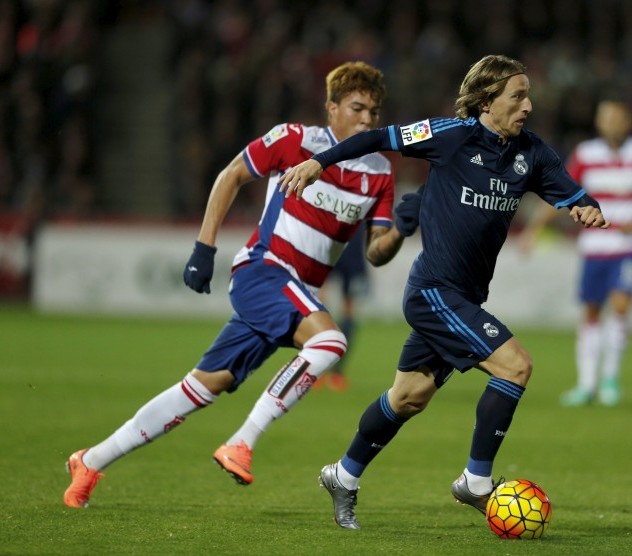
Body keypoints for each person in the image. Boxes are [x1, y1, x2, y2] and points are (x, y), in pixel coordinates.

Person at [63, 61, 422, 508]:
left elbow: (375, 252)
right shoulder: (296, 140)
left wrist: (402, 230)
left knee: (202, 387)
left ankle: (91, 460)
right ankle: (243, 441)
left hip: (296, 294)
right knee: (330, 342)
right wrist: (203, 247)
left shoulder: (379, 173)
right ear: (331, 108)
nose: (368, 119)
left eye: (375, 111)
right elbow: (231, 173)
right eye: (357, 108)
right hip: (264, 270)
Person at [278, 54, 609, 529]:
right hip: (433, 291)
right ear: (487, 100)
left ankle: (343, 476)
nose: (528, 105)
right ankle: (475, 482)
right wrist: (318, 162)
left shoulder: (531, 153)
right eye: (517, 96)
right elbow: (378, 137)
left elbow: (572, 193)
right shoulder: (452, 135)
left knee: (408, 395)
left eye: (528, 96)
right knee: (516, 366)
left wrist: (587, 208)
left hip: (465, 299)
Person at [519, 98, 632, 407]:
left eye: (615, 117)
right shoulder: (586, 154)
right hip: (594, 246)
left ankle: (610, 379)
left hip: (627, 246)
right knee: (590, 311)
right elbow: (561, 191)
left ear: (628, 120)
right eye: (605, 117)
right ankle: (586, 384)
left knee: (620, 305)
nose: (610, 123)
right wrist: (534, 228)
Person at [314, 226, 370, 391]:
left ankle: (333, 371)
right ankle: (326, 370)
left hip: (343, 244)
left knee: (343, 311)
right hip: (332, 242)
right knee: (322, 306)